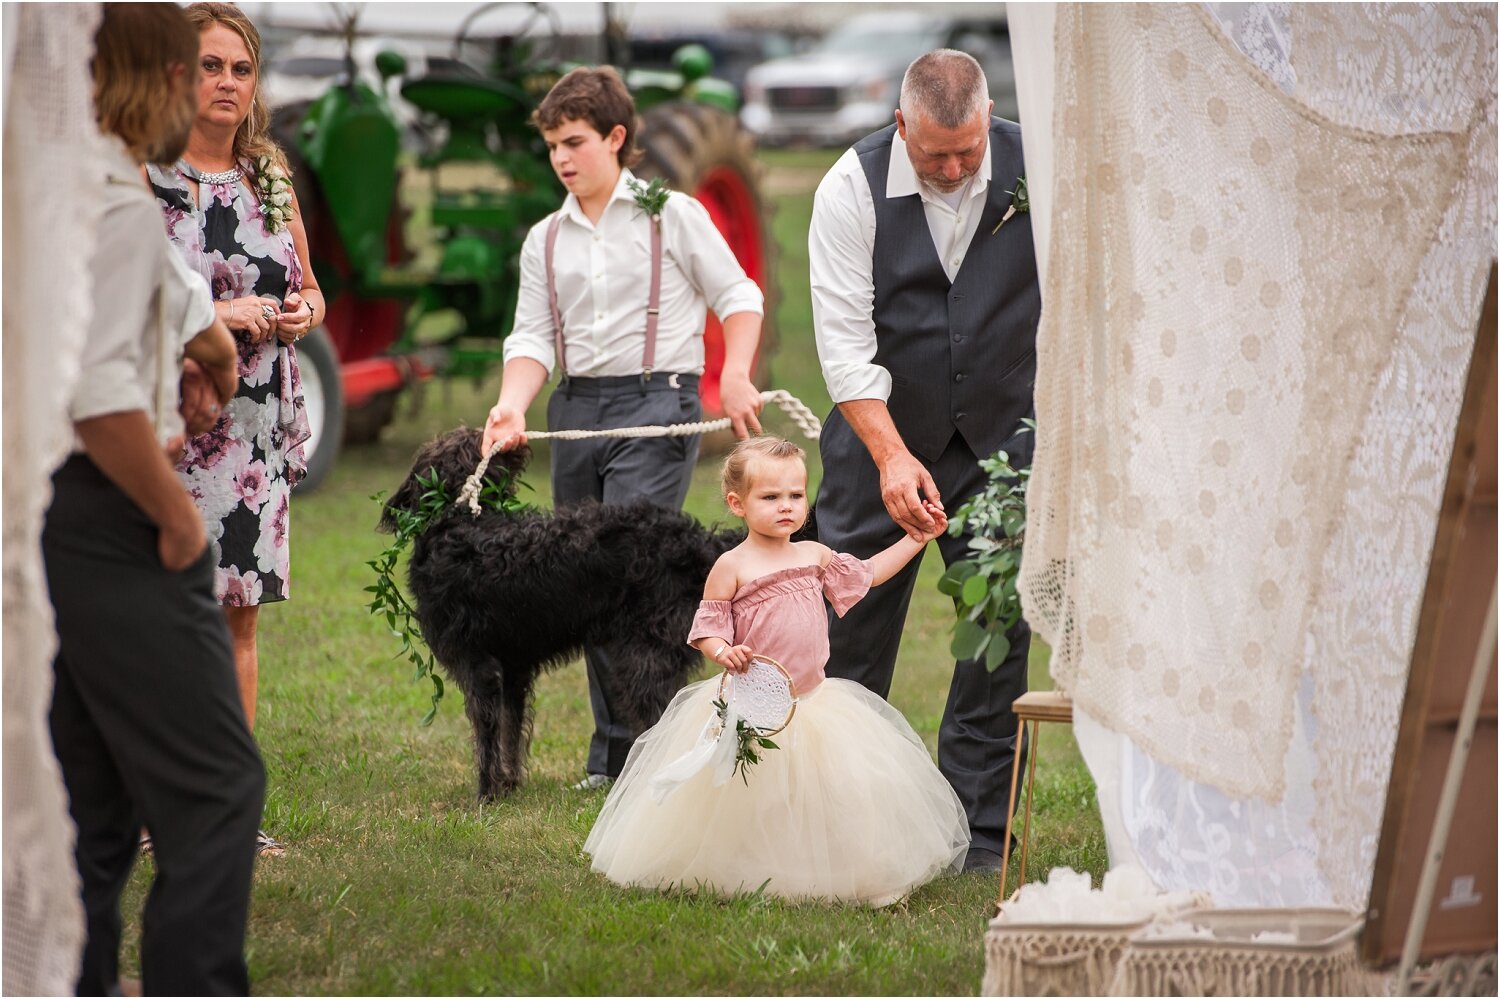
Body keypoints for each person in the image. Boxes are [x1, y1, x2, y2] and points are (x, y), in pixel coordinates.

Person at [45, 4, 265, 992]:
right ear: (168, 80)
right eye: (196, 71)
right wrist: (177, 517)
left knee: (85, 807)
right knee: (220, 788)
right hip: (110, 512)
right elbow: (99, 397)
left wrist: (185, 341)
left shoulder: (48, 187)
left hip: (38, 521)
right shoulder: (126, 206)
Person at [480, 66, 765, 790]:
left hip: (656, 406)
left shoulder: (676, 214)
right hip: (574, 411)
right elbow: (531, 338)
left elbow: (738, 295)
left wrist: (734, 372)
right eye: (551, 147)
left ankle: (643, 753)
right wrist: (513, 403)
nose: (562, 159)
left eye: (574, 142)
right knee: (584, 582)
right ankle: (614, 758)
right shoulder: (544, 239)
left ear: (616, 137)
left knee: (630, 578)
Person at [807, 49, 1041, 872]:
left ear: (988, 119)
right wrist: (893, 456)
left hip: (1003, 445)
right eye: (934, 151)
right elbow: (842, 347)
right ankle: (844, 823)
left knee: (993, 640)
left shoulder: (1038, 163)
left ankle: (979, 834)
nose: (952, 166)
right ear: (901, 122)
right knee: (844, 638)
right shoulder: (847, 187)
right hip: (880, 444)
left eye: (968, 150)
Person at [584, 436, 968, 904]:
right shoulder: (731, 566)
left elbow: (866, 575)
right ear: (737, 503)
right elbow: (706, 627)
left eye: (795, 496)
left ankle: (823, 864)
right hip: (753, 704)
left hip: (814, 702)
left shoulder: (813, 556)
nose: (786, 507)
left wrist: (916, 540)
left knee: (826, 791)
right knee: (752, 796)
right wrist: (723, 651)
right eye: (770, 497)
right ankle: (746, 863)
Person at [146, 1, 322, 854]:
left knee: (237, 618)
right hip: (172, 423)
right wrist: (221, 311)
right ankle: (151, 811)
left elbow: (315, 292)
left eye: (240, 69)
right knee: (161, 616)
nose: (225, 83)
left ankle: (229, 817)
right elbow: (123, 306)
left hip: (254, 427)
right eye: (210, 66)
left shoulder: (271, 175)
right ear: (179, 74)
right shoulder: (145, 178)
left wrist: (296, 313)